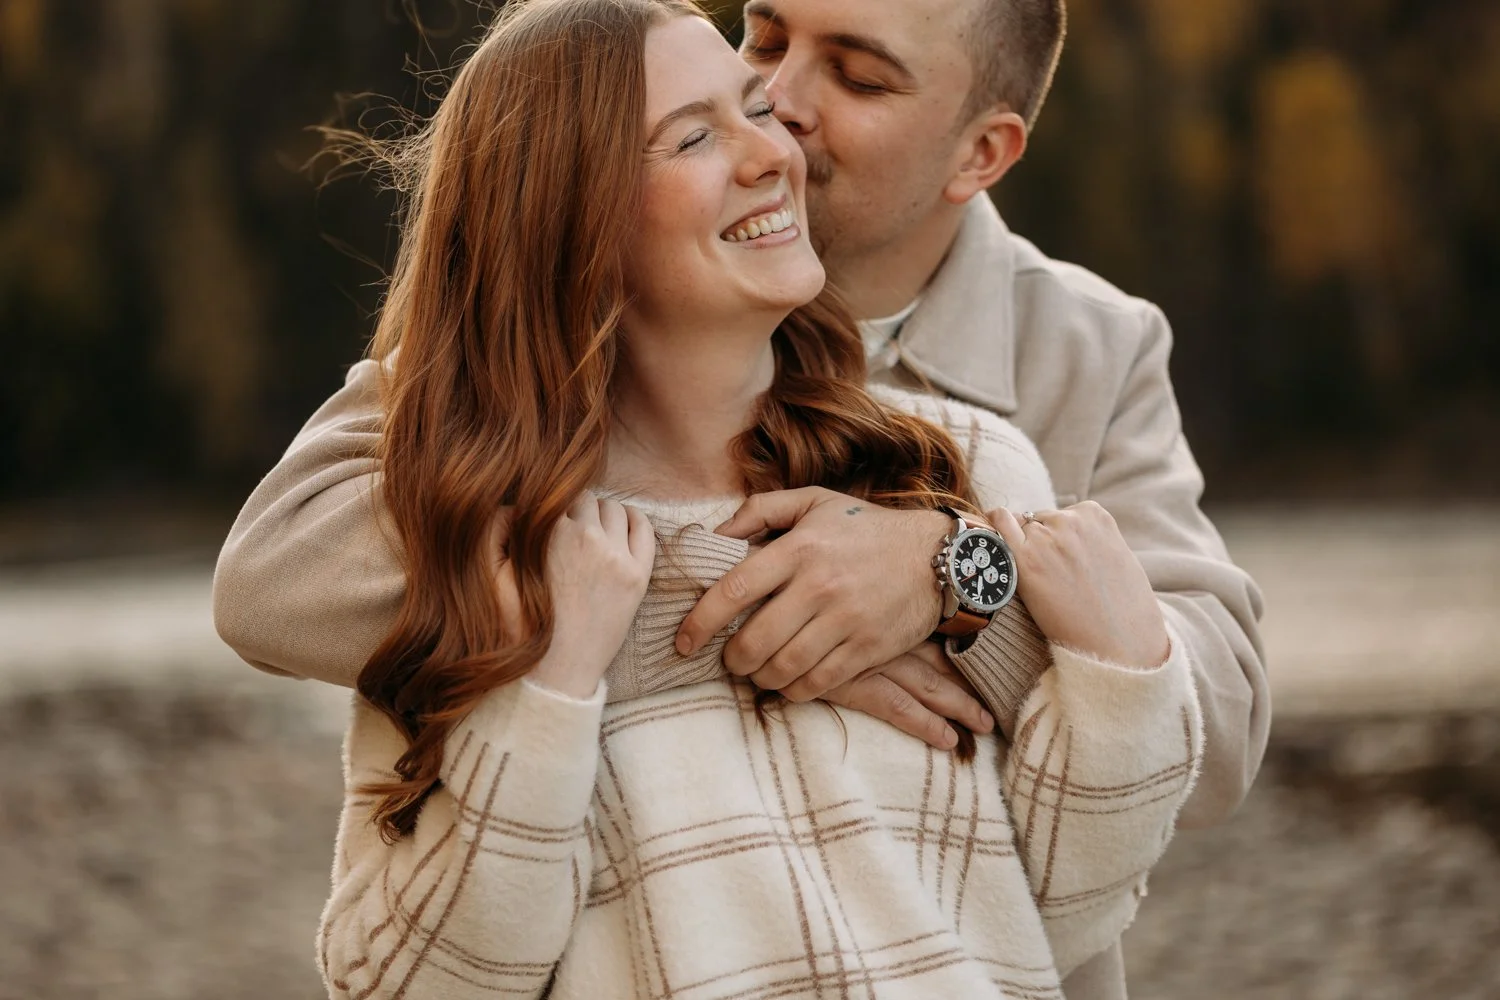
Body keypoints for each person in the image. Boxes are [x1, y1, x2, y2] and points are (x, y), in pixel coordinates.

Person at [215, 0, 1268, 994]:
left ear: (979, 154)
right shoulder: (485, 433)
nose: (786, 117)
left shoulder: (1057, 382)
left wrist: (949, 579)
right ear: (570, 221)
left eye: (856, 75)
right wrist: (705, 610)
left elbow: (1191, 733)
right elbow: (276, 578)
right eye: (763, 38)